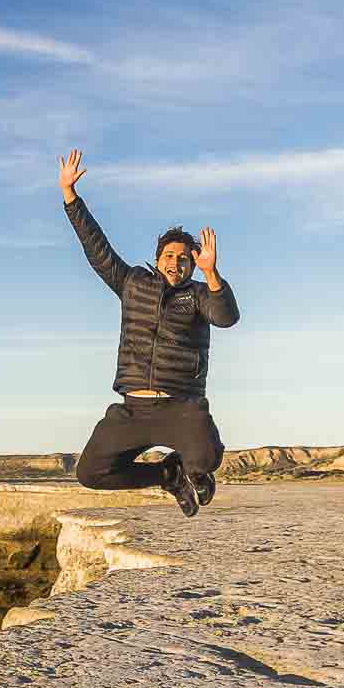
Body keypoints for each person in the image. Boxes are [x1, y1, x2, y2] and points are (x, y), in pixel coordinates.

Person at [59, 149, 240, 517]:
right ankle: (167, 474)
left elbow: (227, 318)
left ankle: (192, 469)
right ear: (158, 259)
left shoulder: (201, 294)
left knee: (206, 457)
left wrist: (212, 274)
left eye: (184, 258)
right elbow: (97, 249)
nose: (176, 262)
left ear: (192, 264)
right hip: (133, 409)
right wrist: (69, 195)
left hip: (181, 406)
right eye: (170, 256)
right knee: (90, 472)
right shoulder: (131, 284)